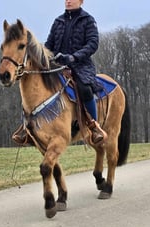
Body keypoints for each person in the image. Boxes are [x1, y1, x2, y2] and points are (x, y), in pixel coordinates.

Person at [45, 0, 107, 145]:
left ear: (81, 1)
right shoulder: (58, 21)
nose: (68, 1)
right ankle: (29, 127)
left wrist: (73, 57)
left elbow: (93, 44)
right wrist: (46, 56)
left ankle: (94, 127)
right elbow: (49, 45)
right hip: (58, 66)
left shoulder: (88, 20)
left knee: (84, 89)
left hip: (81, 65)